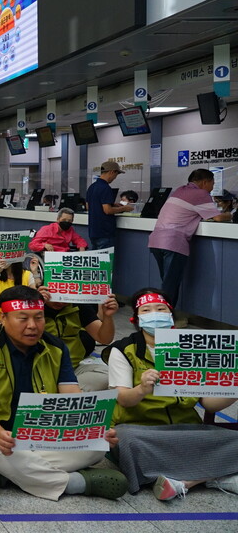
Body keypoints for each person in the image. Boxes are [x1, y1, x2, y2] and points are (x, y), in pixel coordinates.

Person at [0, 285, 128, 501]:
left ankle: (7, 474)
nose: (33, 326)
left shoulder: (56, 347)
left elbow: (72, 395)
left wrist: (93, 428)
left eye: (38, 318)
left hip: (42, 434)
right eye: (23, 318)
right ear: (3, 318)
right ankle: (76, 483)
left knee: (97, 448)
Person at [103, 288, 238, 500]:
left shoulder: (191, 349)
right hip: (142, 430)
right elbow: (123, 399)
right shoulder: (124, 350)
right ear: (136, 318)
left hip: (186, 428)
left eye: (160, 308)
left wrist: (234, 388)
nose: (154, 314)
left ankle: (185, 481)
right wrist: (142, 389)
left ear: (170, 314)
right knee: (127, 442)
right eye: (146, 310)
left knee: (233, 438)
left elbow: (209, 404)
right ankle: (212, 475)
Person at [147, 169, 232, 308]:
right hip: (173, 242)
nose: (212, 189)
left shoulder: (179, 190)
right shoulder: (201, 193)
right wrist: (231, 215)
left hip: (156, 240)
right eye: (212, 184)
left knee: (167, 282)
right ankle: (163, 320)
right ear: (205, 182)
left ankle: (165, 316)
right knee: (170, 284)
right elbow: (217, 217)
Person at [36, 285, 117, 392]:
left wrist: (108, 316)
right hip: (39, 370)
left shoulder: (78, 305)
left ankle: (60, 394)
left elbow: (104, 339)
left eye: (66, 297)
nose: (60, 302)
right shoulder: (33, 303)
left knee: (110, 375)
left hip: (72, 368)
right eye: (57, 295)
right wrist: (36, 305)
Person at [86, 161, 134, 250]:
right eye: (116, 174)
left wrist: (112, 204)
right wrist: (124, 208)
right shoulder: (106, 188)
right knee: (105, 262)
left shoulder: (92, 187)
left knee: (96, 261)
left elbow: (88, 207)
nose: (115, 178)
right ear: (112, 172)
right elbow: (107, 210)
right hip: (105, 232)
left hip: (93, 231)